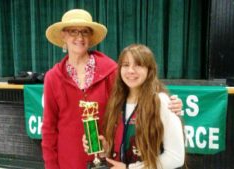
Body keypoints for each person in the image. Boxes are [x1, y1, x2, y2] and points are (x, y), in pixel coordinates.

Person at [42, 9, 183, 169]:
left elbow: (138, 86)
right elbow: (49, 129)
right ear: (63, 35)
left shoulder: (110, 69)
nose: (79, 37)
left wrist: (168, 102)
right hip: (68, 161)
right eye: (73, 31)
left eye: (85, 32)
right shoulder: (53, 77)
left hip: (109, 159)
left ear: (90, 37)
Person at [83, 44, 185, 169]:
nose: (131, 70)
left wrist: (129, 168)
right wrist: (105, 150)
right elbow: (121, 151)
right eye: (126, 65)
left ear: (149, 70)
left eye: (138, 65)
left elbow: (176, 157)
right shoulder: (117, 102)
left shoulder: (162, 102)